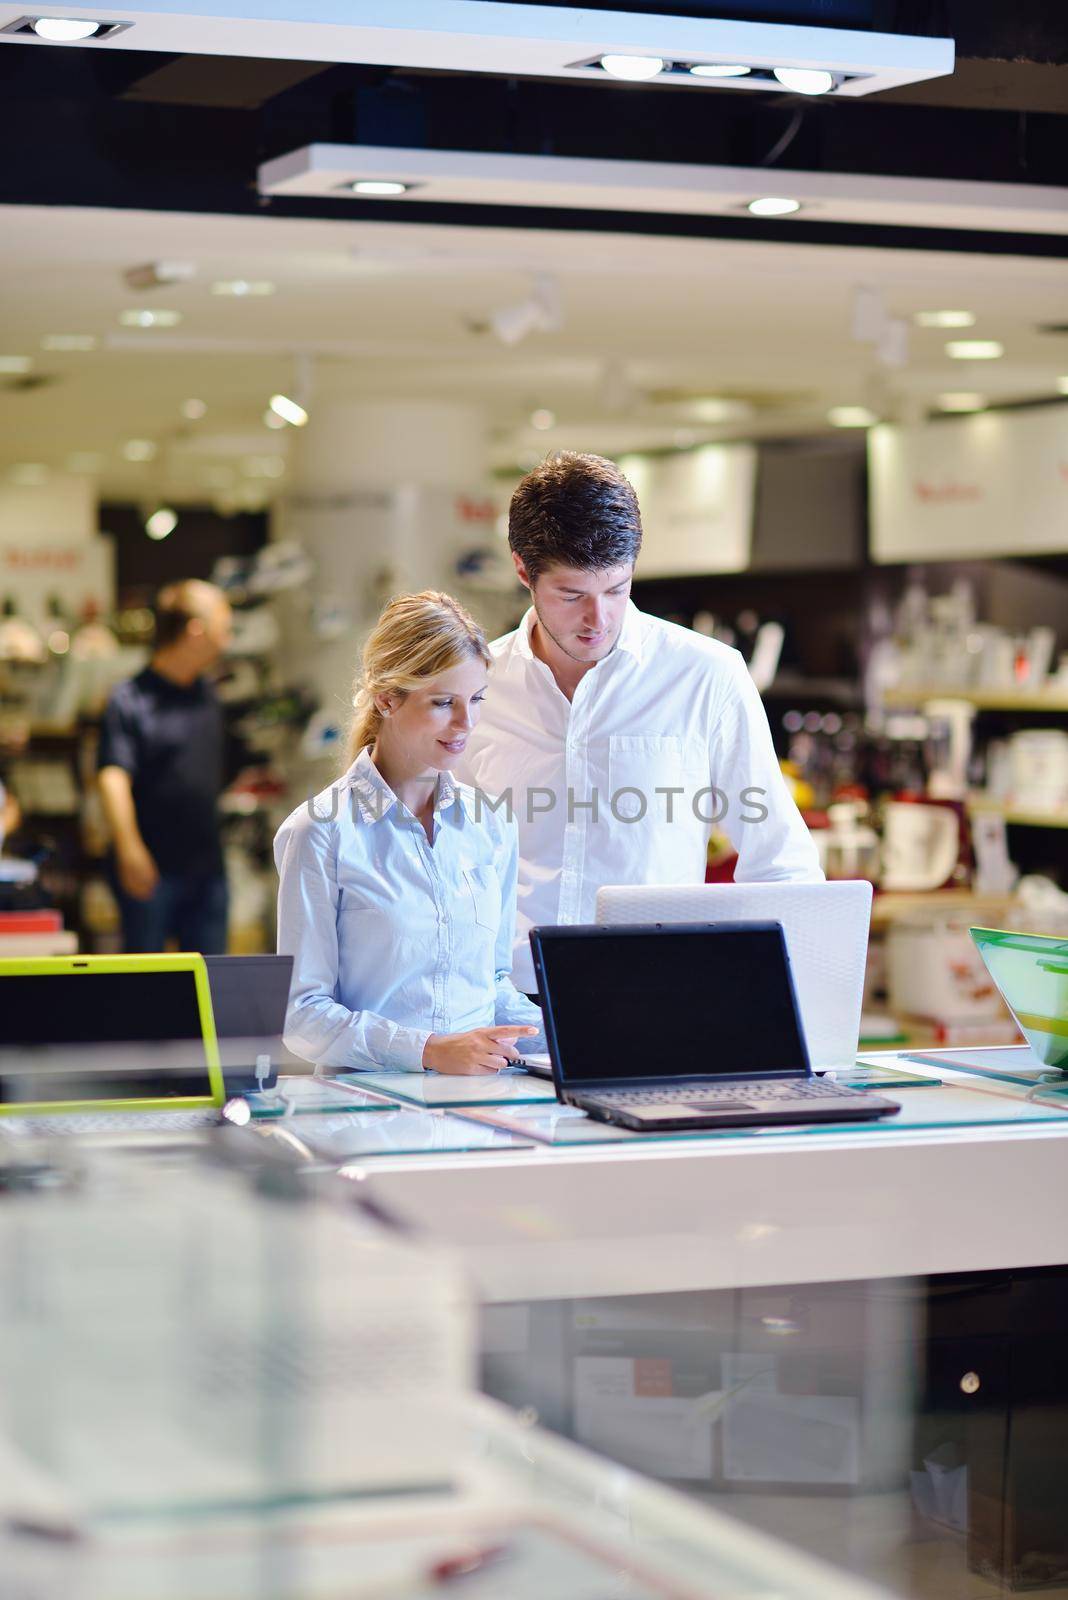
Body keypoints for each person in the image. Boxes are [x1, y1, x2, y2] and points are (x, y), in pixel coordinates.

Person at [456, 451, 823, 995]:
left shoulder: (706, 675)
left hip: (661, 990)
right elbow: (438, 860)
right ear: (522, 572)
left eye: (616, 590)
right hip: (504, 1002)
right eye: (571, 594)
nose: (597, 620)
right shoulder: (475, 686)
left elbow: (781, 864)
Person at [274, 591, 542, 1075]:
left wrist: (568, 1034)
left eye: (476, 700)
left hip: (480, 1114)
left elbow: (493, 981)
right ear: (386, 698)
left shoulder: (492, 825)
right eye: (443, 703)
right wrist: (427, 1050)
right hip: (365, 1116)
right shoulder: (320, 832)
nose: (466, 723)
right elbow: (303, 1015)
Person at [97, 579, 232, 953]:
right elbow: (112, 775)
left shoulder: (207, 695)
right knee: (148, 984)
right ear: (196, 630)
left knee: (212, 983)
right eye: (225, 625)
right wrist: (129, 849)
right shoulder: (130, 698)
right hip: (151, 866)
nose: (228, 637)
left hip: (207, 865)